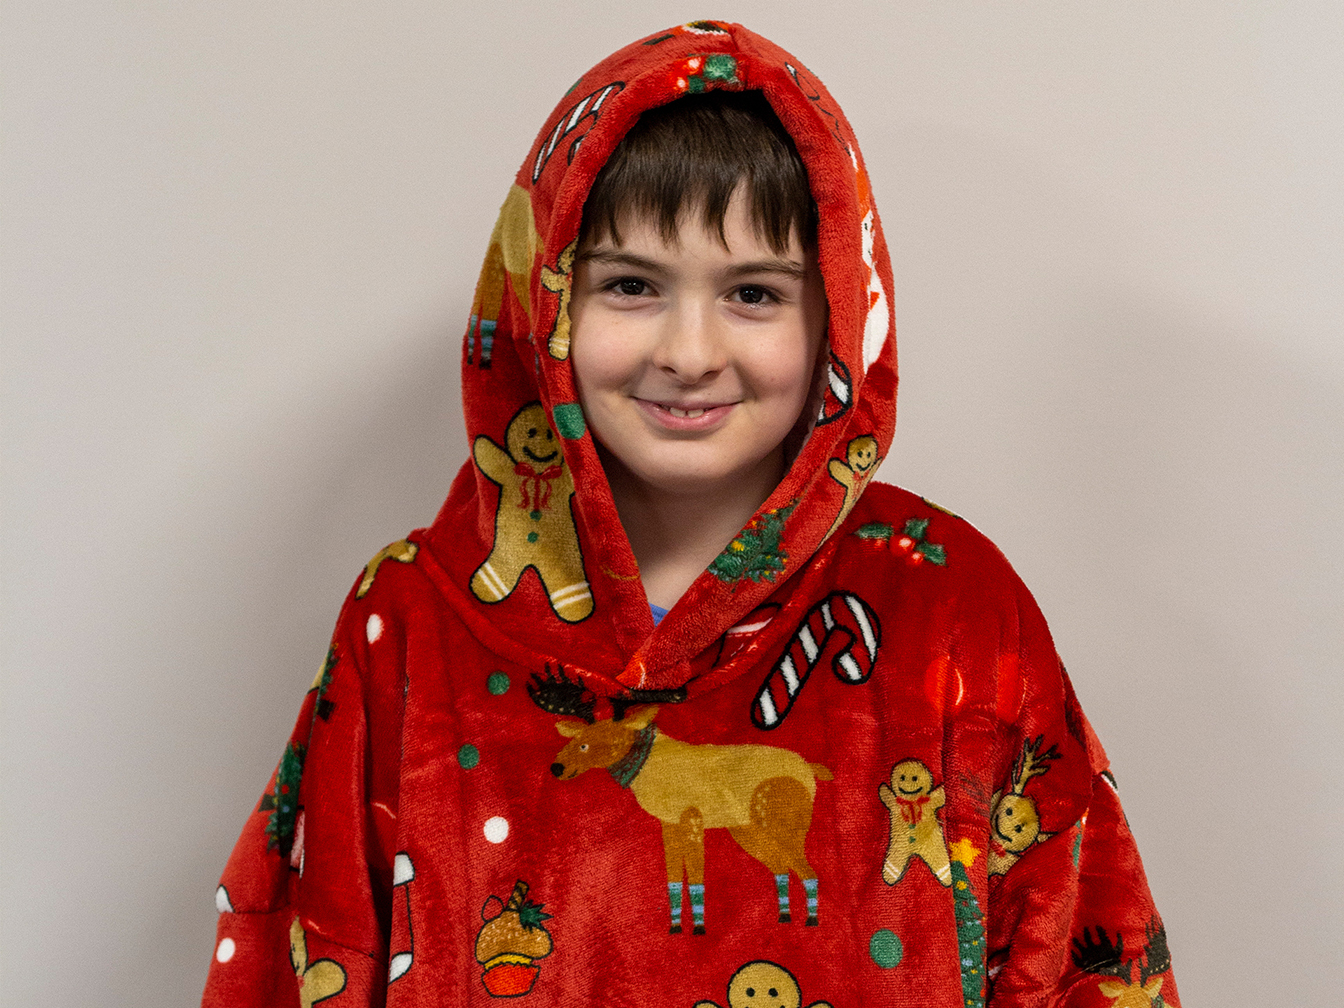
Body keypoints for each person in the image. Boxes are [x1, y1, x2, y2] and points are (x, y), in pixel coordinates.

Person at [203, 22, 1180, 1008]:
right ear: (547, 300)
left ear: (838, 314)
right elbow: (306, 952)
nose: (690, 352)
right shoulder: (408, 621)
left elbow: (1082, 951)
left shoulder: (953, 607)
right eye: (631, 286)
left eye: (753, 294)